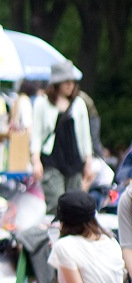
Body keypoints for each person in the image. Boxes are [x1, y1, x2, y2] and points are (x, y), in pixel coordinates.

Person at [31, 60, 94, 216]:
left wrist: (88, 161)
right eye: (66, 82)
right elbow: (36, 134)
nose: (70, 85)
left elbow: (85, 135)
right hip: (52, 158)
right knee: (55, 202)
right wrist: (35, 160)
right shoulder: (42, 104)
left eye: (72, 82)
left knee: (75, 205)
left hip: (74, 159)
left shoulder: (79, 104)